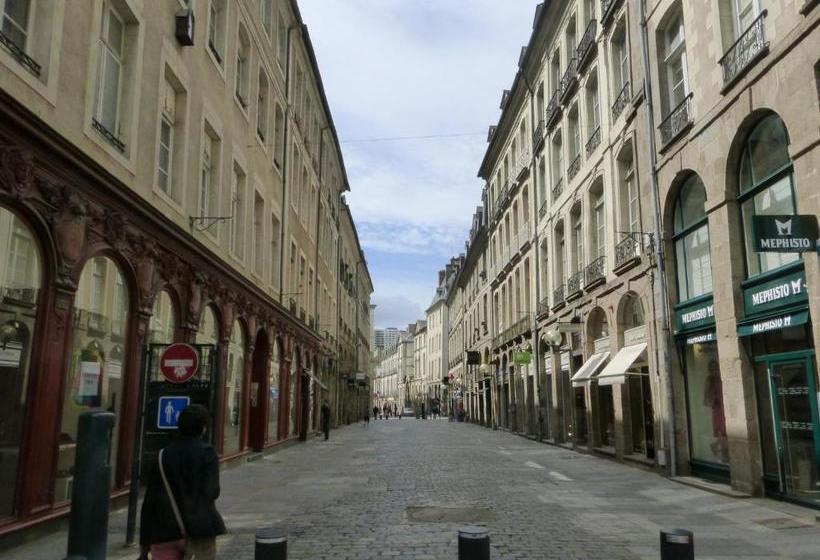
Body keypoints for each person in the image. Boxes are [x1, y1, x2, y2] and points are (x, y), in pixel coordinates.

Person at [140, 404, 225, 560]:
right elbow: (211, 492)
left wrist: (144, 545)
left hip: (165, 530)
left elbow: (150, 501)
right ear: (203, 428)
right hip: (200, 529)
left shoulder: (161, 456)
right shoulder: (207, 453)